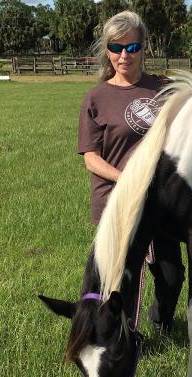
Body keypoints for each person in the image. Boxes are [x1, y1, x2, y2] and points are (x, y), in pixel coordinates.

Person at [77, 11, 183, 333]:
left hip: (161, 201)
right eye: (116, 47)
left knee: (171, 274)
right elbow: (91, 158)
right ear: (107, 50)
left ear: (144, 48)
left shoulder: (163, 88)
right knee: (122, 279)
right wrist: (128, 180)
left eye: (133, 48)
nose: (125, 55)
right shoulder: (97, 97)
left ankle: (162, 322)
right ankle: (123, 336)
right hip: (118, 202)